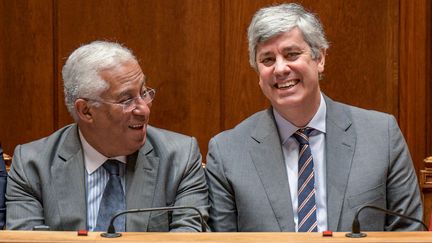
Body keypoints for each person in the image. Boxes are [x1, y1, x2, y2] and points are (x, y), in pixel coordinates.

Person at [205, 3, 423, 232]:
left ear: (320, 59)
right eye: (267, 60)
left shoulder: (381, 136)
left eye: (292, 54)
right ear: (258, 73)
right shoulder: (227, 153)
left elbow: (409, 232)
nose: (280, 69)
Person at [6, 41, 209, 232]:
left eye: (144, 92)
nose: (144, 110)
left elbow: (189, 236)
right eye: (126, 99)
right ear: (86, 111)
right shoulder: (32, 166)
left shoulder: (180, 158)